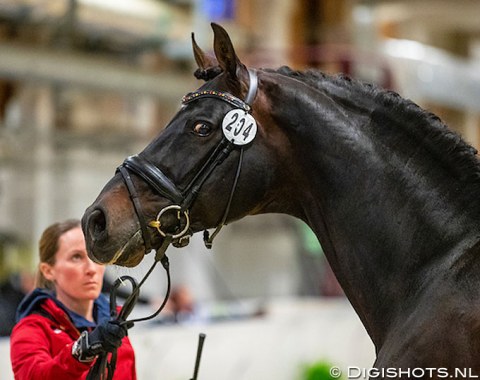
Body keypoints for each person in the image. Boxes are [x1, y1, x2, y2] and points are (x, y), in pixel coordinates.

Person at [10, 219, 136, 379]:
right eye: (76, 257)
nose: (91, 269)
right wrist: (82, 349)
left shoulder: (115, 321)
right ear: (48, 271)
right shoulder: (32, 329)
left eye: (94, 256)